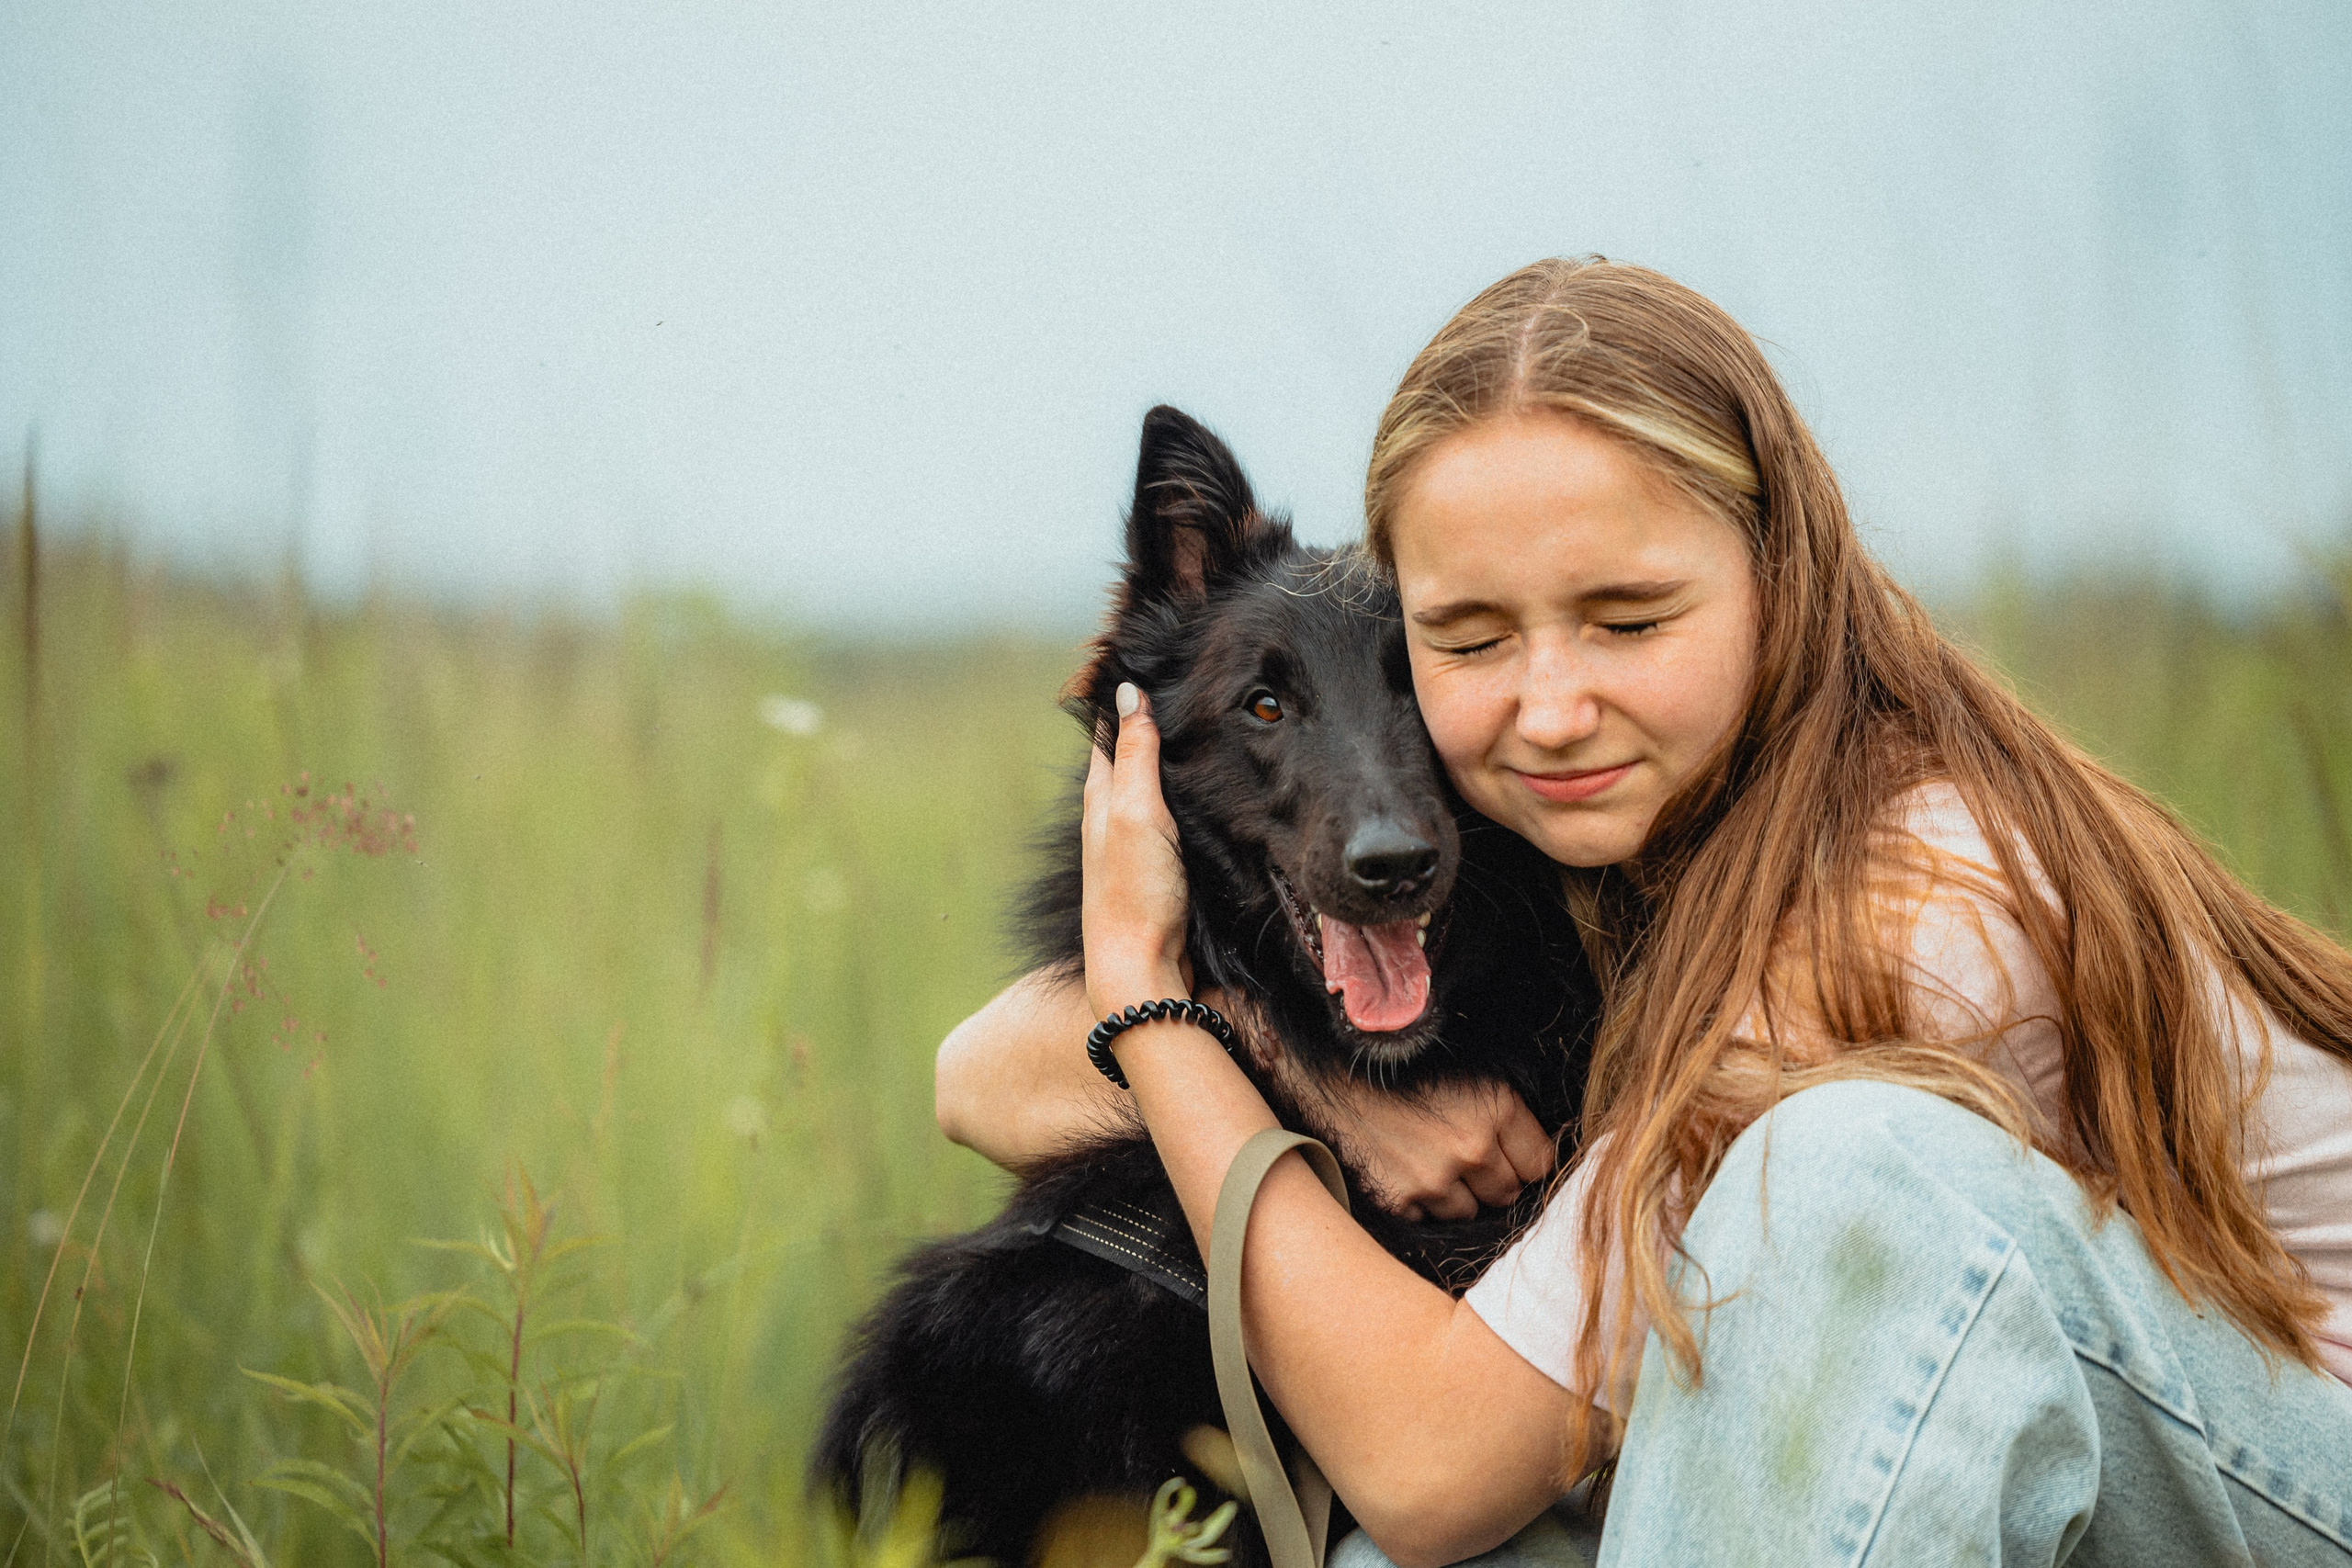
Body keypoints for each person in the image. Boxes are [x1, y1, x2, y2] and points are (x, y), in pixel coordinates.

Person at [934, 258, 2352, 1564]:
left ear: (1777, 578)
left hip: (2299, 1473)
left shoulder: (1915, 903)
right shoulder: (1590, 817)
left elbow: (1430, 1460)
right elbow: (983, 1071)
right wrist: (1333, 1094)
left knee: (1840, 1174)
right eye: (1472, 636)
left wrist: (1152, 999)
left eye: (1628, 619)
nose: (1549, 710)